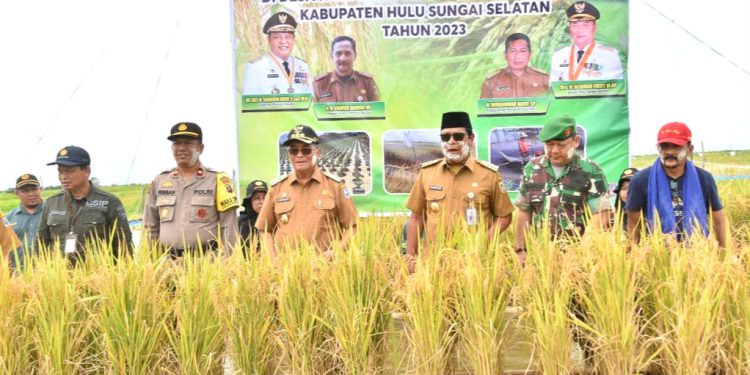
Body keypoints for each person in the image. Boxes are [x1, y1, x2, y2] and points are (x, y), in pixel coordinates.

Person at [405, 111, 514, 262]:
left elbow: (504, 217)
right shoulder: (427, 173)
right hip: (434, 263)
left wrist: (482, 244)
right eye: (445, 137)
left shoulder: (489, 175)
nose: (451, 142)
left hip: (475, 263)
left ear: (471, 138)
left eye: (457, 136)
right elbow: (417, 217)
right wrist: (410, 256)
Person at [255, 124, 358, 263]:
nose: (299, 155)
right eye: (293, 150)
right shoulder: (277, 188)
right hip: (285, 272)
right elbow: (264, 229)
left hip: (325, 270)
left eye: (306, 150)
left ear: (318, 152)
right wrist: (274, 259)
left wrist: (336, 252)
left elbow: (352, 227)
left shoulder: (335, 186)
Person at [514, 115, 611, 261]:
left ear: (575, 141)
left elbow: (601, 215)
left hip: (577, 258)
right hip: (540, 257)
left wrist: (583, 254)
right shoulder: (532, 169)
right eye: (549, 144)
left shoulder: (591, 171)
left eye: (561, 145)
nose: (554, 150)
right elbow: (524, 211)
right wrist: (521, 250)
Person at [143, 122, 240, 256]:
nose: (181, 148)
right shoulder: (160, 181)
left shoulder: (218, 180)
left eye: (188, 143)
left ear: (200, 148)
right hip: (168, 264)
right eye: (176, 143)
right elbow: (150, 226)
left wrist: (228, 262)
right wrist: (149, 262)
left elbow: (229, 227)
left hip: (207, 263)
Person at [626, 122, 727, 247]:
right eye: (664, 146)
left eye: (676, 146)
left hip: (697, 256)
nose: (669, 152)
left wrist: (728, 255)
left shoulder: (704, 179)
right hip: (657, 255)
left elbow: (719, 222)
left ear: (689, 150)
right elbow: (633, 226)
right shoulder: (640, 180)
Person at [37, 146, 132, 259]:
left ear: (86, 171)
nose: (63, 177)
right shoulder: (52, 202)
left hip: (98, 273)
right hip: (60, 274)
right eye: (60, 171)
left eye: (70, 171)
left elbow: (124, 244)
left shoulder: (108, 202)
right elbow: (41, 243)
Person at [550, 1, 624, 82]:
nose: (580, 30)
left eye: (586, 25)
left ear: (594, 28)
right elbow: (553, 88)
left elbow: (616, 89)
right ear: (570, 29)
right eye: (575, 24)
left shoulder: (609, 55)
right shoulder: (559, 56)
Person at [242, 12, 312, 95]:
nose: (283, 41)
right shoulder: (256, 67)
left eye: (288, 37)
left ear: (294, 39)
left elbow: (310, 100)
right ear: (269, 39)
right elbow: (249, 104)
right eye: (277, 37)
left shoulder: (303, 66)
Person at [481, 33, 550, 99]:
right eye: (512, 51)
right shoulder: (491, 82)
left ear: (530, 55)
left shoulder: (543, 79)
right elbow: (483, 109)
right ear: (505, 55)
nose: (517, 56)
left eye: (522, 51)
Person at [313, 36, 380, 103]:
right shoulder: (319, 84)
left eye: (347, 53)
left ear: (355, 56)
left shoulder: (367, 82)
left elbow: (379, 110)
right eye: (338, 54)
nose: (343, 58)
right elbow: (310, 112)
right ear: (332, 56)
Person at [5, 174, 45, 268]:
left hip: (49, 273)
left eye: (34, 189)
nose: (31, 194)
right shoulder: (7, 218)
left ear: (41, 189)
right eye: (25, 191)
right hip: (17, 274)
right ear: (17, 193)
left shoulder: (53, 214)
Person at [238, 179, 268, 254]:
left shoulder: (274, 220)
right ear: (249, 201)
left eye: (264, 198)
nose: (261, 202)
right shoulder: (240, 221)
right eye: (257, 198)